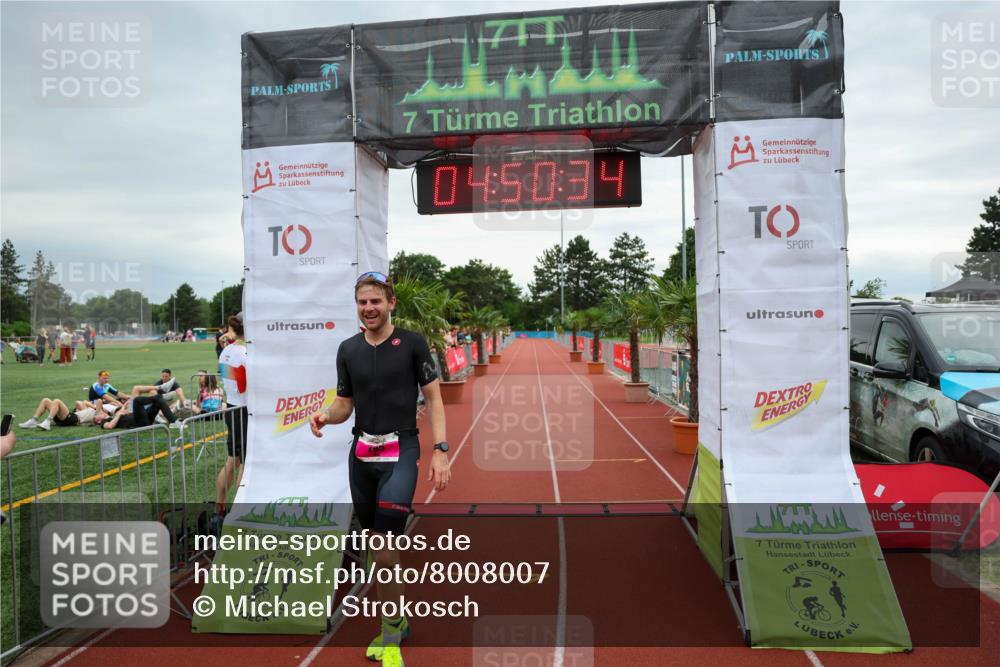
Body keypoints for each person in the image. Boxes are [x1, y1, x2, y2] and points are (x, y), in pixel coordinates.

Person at [310, 271, 450, 667]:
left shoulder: (413, 344)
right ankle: (398, 620)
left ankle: (390, 636)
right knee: (378, 549)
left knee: (385, 551)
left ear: (391, 303)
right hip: (361, 456)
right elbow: (344, 404)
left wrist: (440, 450)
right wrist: (326, 416)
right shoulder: (348, 349)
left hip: (400, 451)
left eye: (375, 301)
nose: (369, 308)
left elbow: (434, 400)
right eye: (362, 302)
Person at [217, 313, 248, 514]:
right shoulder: (245, 352)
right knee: (245, 464)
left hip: (231, 406)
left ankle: (219, 508)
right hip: (244, 411)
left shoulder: (226, 350)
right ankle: (239, 514)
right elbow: (247, 384)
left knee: (232, 460)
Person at [99, 394, 178, 430]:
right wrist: (118, 415)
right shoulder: (104, 422)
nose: (102, 412)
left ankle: (174, 422)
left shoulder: (112, 415)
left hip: (144, 418)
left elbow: (122, 410)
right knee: (137, 400)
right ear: (97, 420)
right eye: (100, 413)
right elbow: (110, 426)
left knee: (158, 401)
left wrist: (124, 406)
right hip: (139, 423)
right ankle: (159, 397)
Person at [19, 398, 106, 430]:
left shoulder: (97, 413)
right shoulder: (88, 410)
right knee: (45, 400)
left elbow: (99, 401)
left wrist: (96, 407)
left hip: (73, 419)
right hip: (65, 419)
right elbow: (81, 402)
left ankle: (47, 421)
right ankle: (33, 420)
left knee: (57, 401)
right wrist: (91, 406)